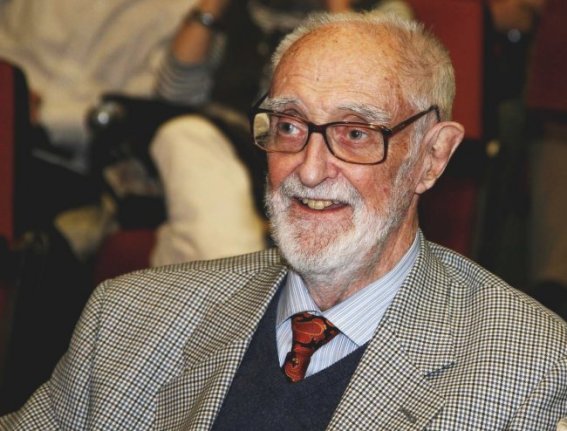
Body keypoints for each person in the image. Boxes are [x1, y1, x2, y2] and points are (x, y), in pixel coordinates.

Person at [2, 11, 567, 430]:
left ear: (432, 157)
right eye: (290, 127)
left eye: (355, 133)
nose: (310, 170)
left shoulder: (525, 366)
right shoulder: (129, 319)